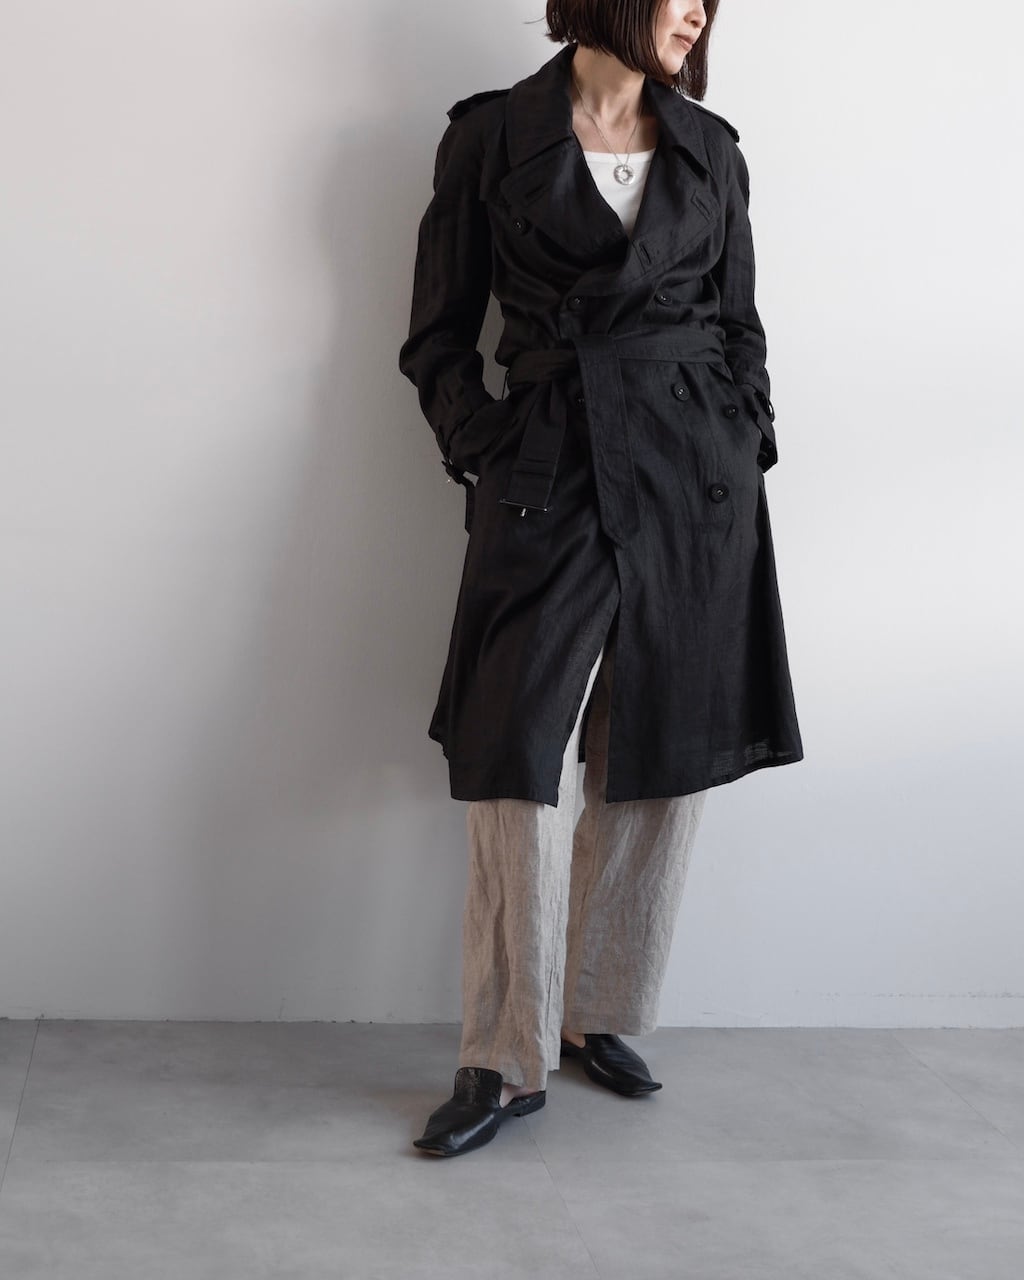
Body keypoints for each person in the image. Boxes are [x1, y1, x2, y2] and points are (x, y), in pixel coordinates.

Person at [398, 0, 803, 1158]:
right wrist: (487, 442)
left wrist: (744, 435)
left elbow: (739, 323)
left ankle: (594, 1010)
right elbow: (436, 336)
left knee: (658, 750)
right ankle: (501, 1050)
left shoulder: (710, 149)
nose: (697, 10)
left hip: (693, 478)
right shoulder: (491, 138)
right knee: (515, 756)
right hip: (549, 468)